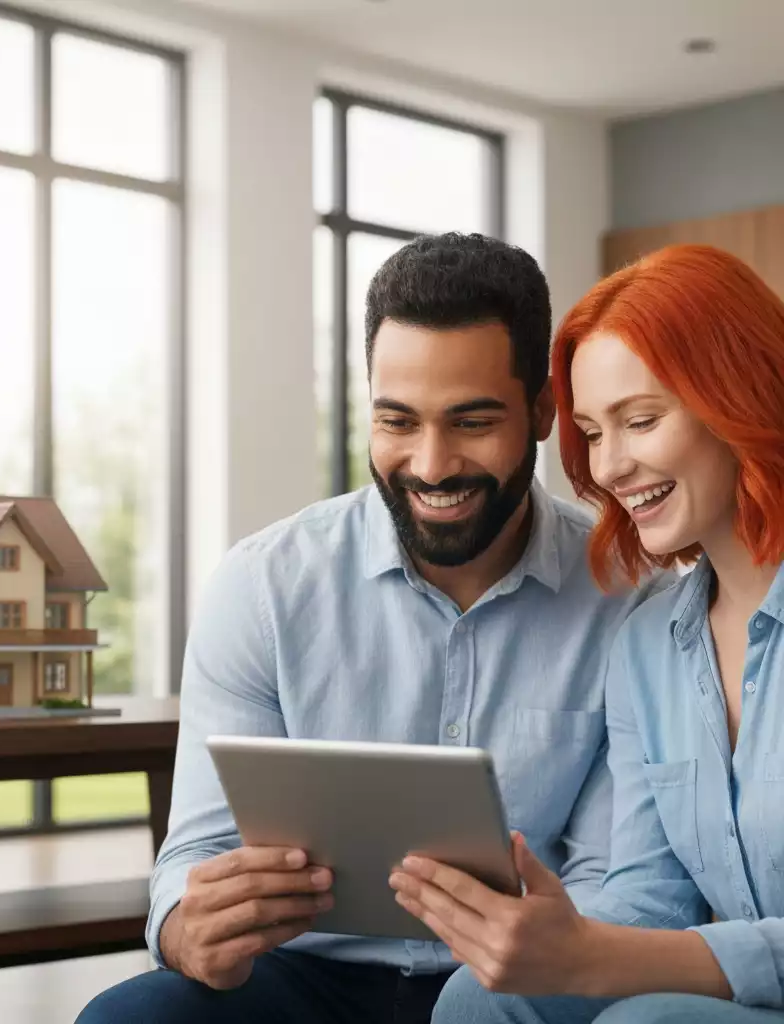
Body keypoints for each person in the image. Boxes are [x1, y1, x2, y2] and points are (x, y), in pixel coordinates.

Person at [74, 233, 671, 1024]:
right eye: (398, 421)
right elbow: (196, 854)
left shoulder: (629, 597)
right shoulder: (263, 587)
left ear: (539, 412)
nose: (430, 464)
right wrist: (190, 929)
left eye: (470, 422)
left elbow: (610, 881)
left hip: (517, 986)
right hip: (301, 978)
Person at [413, 243, 784, 1024]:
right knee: (480, 1001)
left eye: (640, 421)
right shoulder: (648, 642)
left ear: (741, 394)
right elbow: (652, 893)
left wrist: (600, 959)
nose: (610, 466)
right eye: (591, 431)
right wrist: (556, 938)